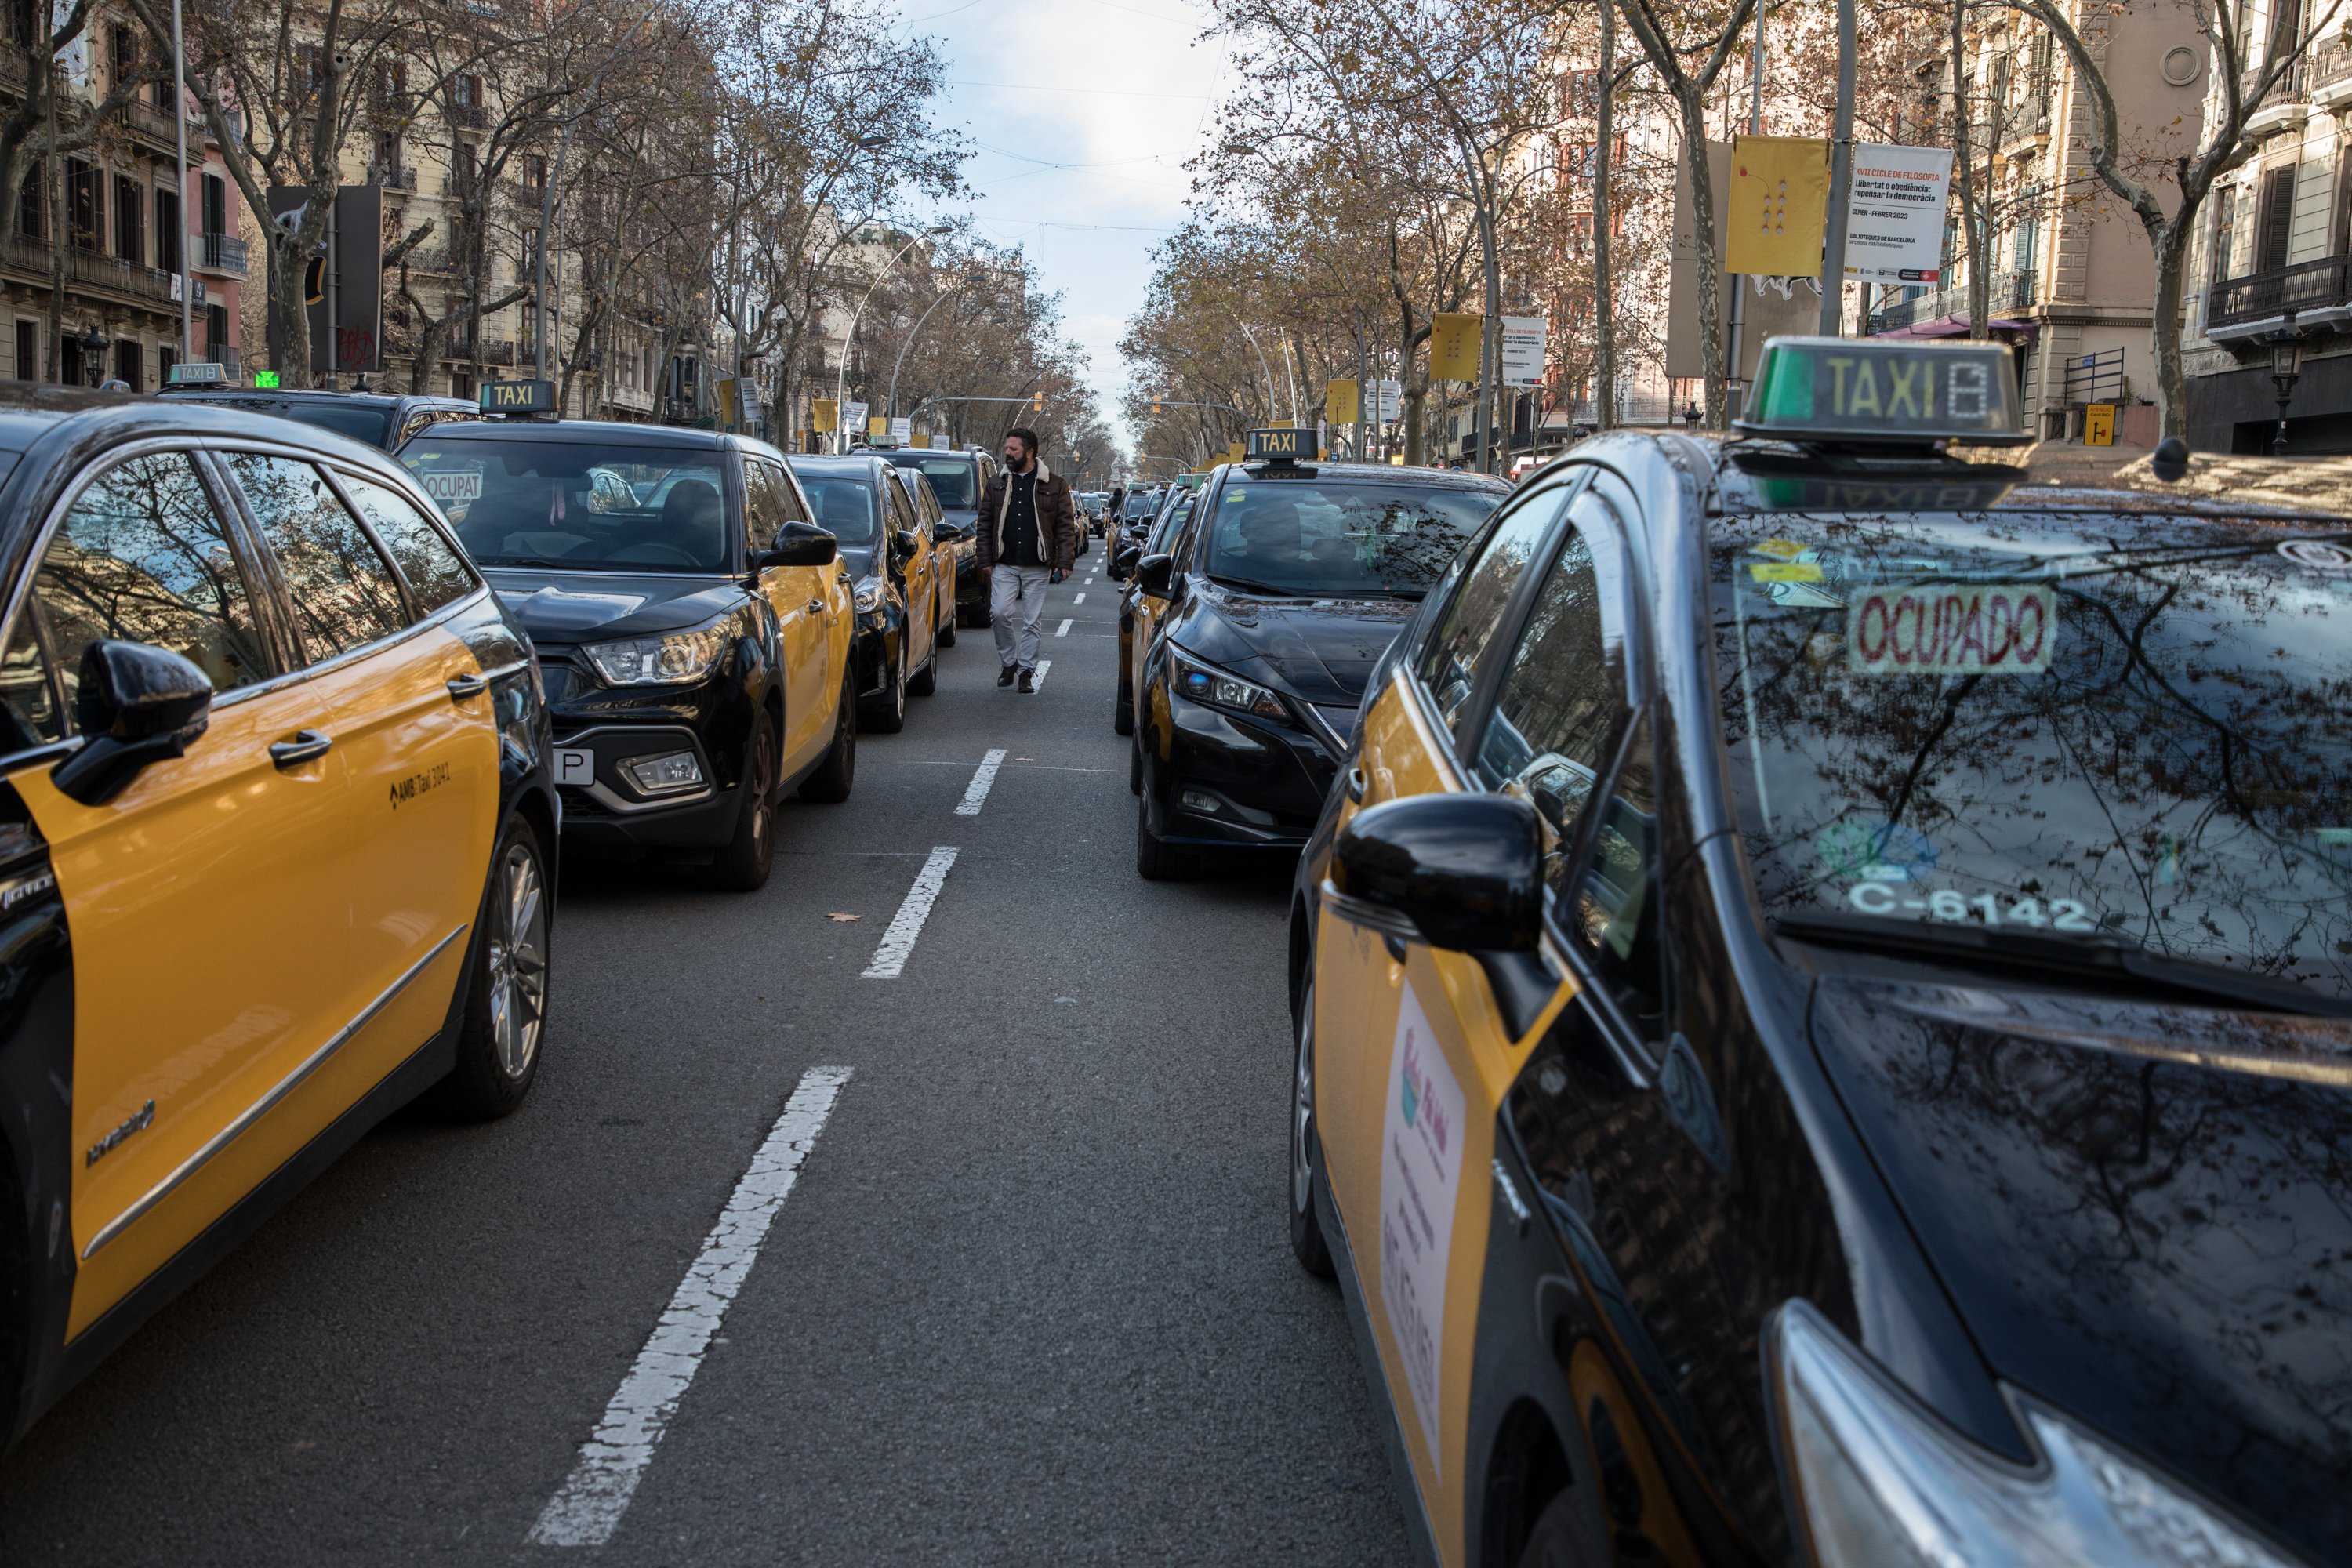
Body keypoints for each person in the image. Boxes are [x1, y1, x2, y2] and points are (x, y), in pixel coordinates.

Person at [975, 427, 1077, 692]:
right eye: (1007, 449)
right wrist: (985, 559)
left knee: (1032, 621)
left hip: (1038, 565)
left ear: (1029, 452)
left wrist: (1065, 562)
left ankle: (1026, 672)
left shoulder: (1054, 484)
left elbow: (1065, 526)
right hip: (1004, 563)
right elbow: (985, 523)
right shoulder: (997, 483)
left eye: (1013, 449)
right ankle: (1009, 662)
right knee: (999, 613)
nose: (1008, 454)